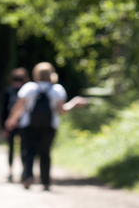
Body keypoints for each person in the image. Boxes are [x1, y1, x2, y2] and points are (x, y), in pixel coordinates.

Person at [5, 62, 87, 191]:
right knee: (45, 153)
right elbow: (62, 110)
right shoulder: (57, 89)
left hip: (28, 125)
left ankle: (28, 176)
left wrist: (11, 120)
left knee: (29, 151)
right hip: (50, 126)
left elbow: (18, 107)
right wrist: (74, 102)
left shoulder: (29, 87)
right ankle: (45, 181)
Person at [1, 68, 30, 182]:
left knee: (11, 149)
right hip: (24, 123)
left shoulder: (7, 90)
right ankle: (24, 171)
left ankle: (10, 171)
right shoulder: (27, 90)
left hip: (10, 124)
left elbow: (3, 109)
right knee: (24, 148)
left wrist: (3, 126)